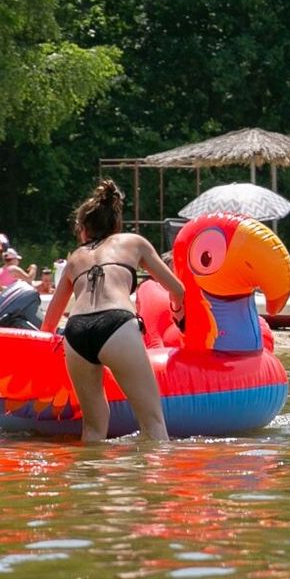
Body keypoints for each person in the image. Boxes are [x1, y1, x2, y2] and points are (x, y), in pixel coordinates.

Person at [41, 179, 186, 442]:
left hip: (76, 331)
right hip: (116, 323)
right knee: (153, 422)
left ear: (83, 229)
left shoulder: (75, 258)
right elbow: (177, 288)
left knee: (93, 429)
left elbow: (50, 323)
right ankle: (155, 471)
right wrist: (178, 315)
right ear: (115, 223)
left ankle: (91, 471)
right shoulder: (134, 242)